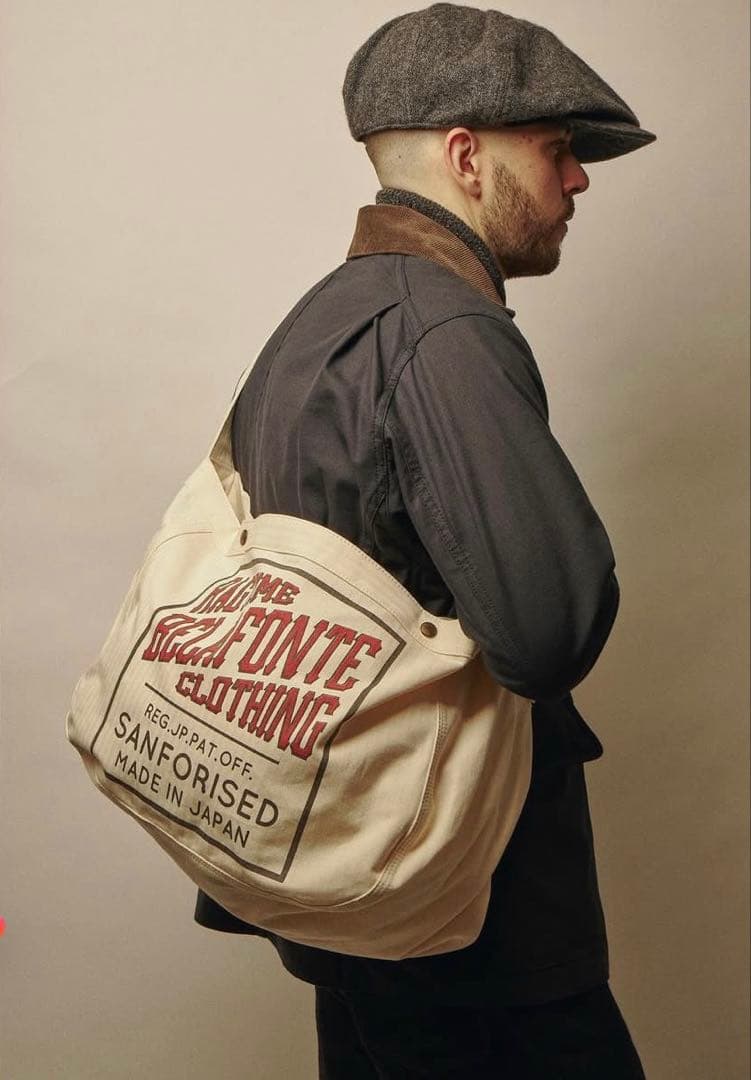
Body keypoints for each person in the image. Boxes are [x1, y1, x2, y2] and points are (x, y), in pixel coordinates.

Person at [194, 4, 656, 1076]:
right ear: (464, 156)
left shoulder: (316, 319)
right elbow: (545, 631)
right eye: (555, 150)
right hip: (468, 916)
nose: (576, 180)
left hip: (350, 891)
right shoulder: (446, 332)